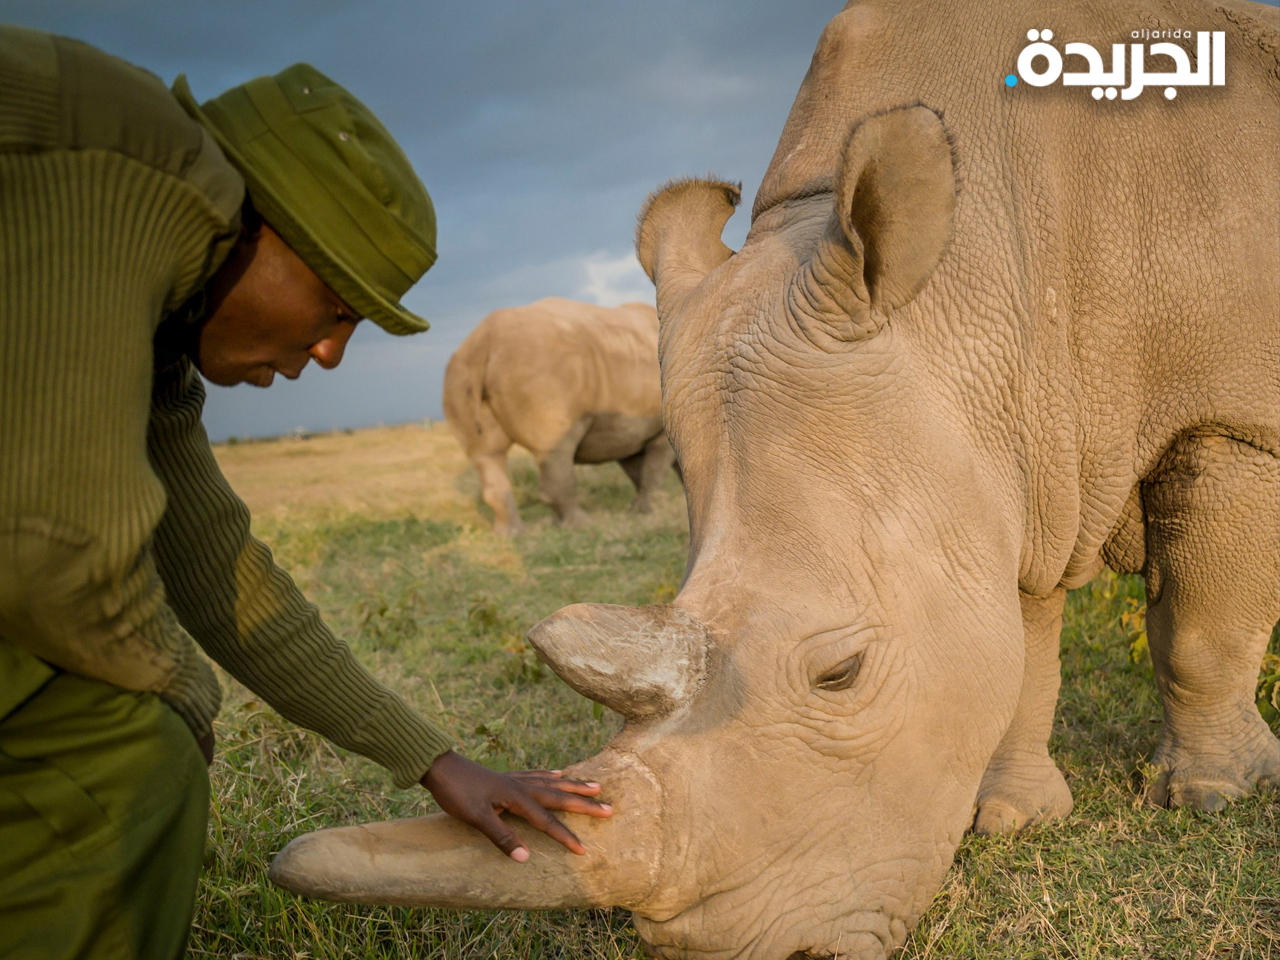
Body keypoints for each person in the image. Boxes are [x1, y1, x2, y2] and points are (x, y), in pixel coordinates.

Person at [0, 24, 612, 960]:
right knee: (123, 738)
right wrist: (180, 690)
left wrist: (431, 758)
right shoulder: (131, 169)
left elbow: (216, 566)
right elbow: (53, 547)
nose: (328, 353)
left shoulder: (160, 327)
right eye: (334, 306)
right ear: (262, 223)